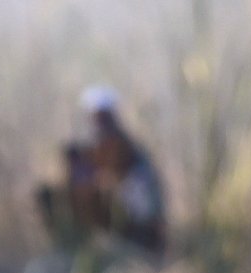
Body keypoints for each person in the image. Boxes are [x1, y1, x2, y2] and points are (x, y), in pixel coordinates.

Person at [37, 85, 166, 257]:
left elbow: (143, 199)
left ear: (111, 116)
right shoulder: (90, 151)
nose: (98, 122)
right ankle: (73, 249)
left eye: (102, 117)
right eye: (95, 117)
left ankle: (132, 248)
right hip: (107, 221)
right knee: (47, 195)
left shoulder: (128, 151)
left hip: (136, 229)